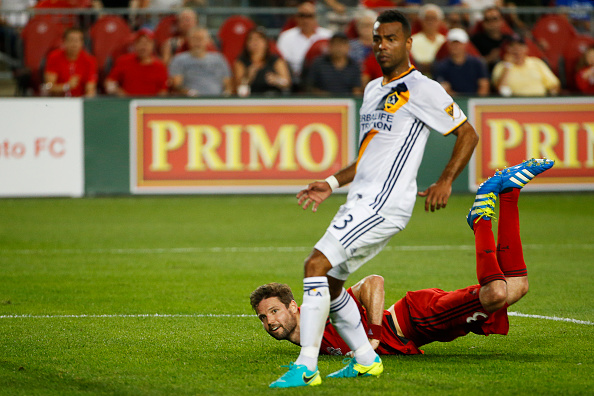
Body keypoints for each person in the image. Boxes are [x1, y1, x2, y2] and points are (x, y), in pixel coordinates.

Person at [267, 9, 479, 389]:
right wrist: (332, 182)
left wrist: (445, 180)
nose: (382, 46)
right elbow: (367, 156)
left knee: (314, 265)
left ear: (409, 43)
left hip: (384, 204)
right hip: (360, 201)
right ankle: (366, 360)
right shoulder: (372, 90)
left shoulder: (422, 88)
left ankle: (307, 366)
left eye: (391, 39)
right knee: (330, 283)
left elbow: (467, 134)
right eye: (378, 39)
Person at [251, 159, 555, 362]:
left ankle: (480, 220)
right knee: (517, 286)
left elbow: (373, 282)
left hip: (415, 318)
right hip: (422, 329)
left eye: (274, 311)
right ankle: (510, 193)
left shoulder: (320, 307)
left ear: (294, 306)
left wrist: (373, 336)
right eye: (264, 317)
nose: (271, 322)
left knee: (497, 293)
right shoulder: (305, 342)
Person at [276, 1, 332, 89]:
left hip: (323, 81)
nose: (306, 20)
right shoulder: (286, 36)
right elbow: (281, 62)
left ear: (316, 17)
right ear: (296, 17)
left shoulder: (327, 35)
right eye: (302, 16)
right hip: (295, 81)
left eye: (309, 16)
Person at [169, 27, 232, 97]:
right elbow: (176, 84)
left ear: (208, 41)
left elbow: (227, 83)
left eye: (200, 39)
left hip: (217, 101)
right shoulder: (179, 60)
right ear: (188, 40)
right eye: (194, 39)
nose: (197, 42)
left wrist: (226, 95)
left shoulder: (219, 59)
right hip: (190, 101)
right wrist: (189, 92)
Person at [104, 28, 168, 97]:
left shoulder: (160, 67)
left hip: (150, 105)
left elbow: (163, 91)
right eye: (140, 42)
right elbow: (109, 83)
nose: (143, 46)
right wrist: (119, 92)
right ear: (135, 45)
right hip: (127, 104)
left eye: (147, 43)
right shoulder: (124, 61)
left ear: (152, 45)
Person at [491, 34, 560, 97]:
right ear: (507, 49)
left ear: (526, 49)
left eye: (520, 46)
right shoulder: (501, 66)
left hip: (540, 102)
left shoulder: (537, 63)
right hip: (515, 105)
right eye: (512, 46)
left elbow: (554, 85)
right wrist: (508, 66)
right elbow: (500, 90)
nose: (516, 49)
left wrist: (550, 99)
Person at [233, 27, 291, 96]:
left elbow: (287, 83)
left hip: (273, 98)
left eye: (258, 39)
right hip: (251, 99)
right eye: (251, 39)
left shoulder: (276, 60)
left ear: (266, 42)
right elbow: (237, 88)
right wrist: (247, 77)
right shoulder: (241, 62)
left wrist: (277, 80)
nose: (255, 42)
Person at [432, 28, 490, 96]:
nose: (455, 46)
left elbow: (484, 85)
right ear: (448, 45)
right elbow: (444, 89)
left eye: (458, 44)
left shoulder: (477, 63)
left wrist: (475, 101)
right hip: (452, 103)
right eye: (452, 44)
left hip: (475, 103)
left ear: (466, 44)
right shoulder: (442, 66)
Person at [43, 27, 98, 97]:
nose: (74, 44)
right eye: (71, 40)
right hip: (58, 100)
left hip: (80, 101)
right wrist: (67, 86)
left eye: (77, 41)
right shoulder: (54, 57)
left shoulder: (90, 60)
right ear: (64, 42)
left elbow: (90, 90)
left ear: (82, 43)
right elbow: (49, 86)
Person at [470, 6, 512, 75]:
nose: (491, 22)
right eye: (487, 20)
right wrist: (489, 58)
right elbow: (470, 64)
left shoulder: (509, 39)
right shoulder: (475, 40)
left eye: (494, 19)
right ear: (483, 22)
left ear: (502, 21)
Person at [410, 4, 447, 76]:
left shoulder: (444, 41)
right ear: (421, 21)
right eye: (427, 19)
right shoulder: (413, 40)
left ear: (440, 21)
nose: (430, 22)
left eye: (434, 19)